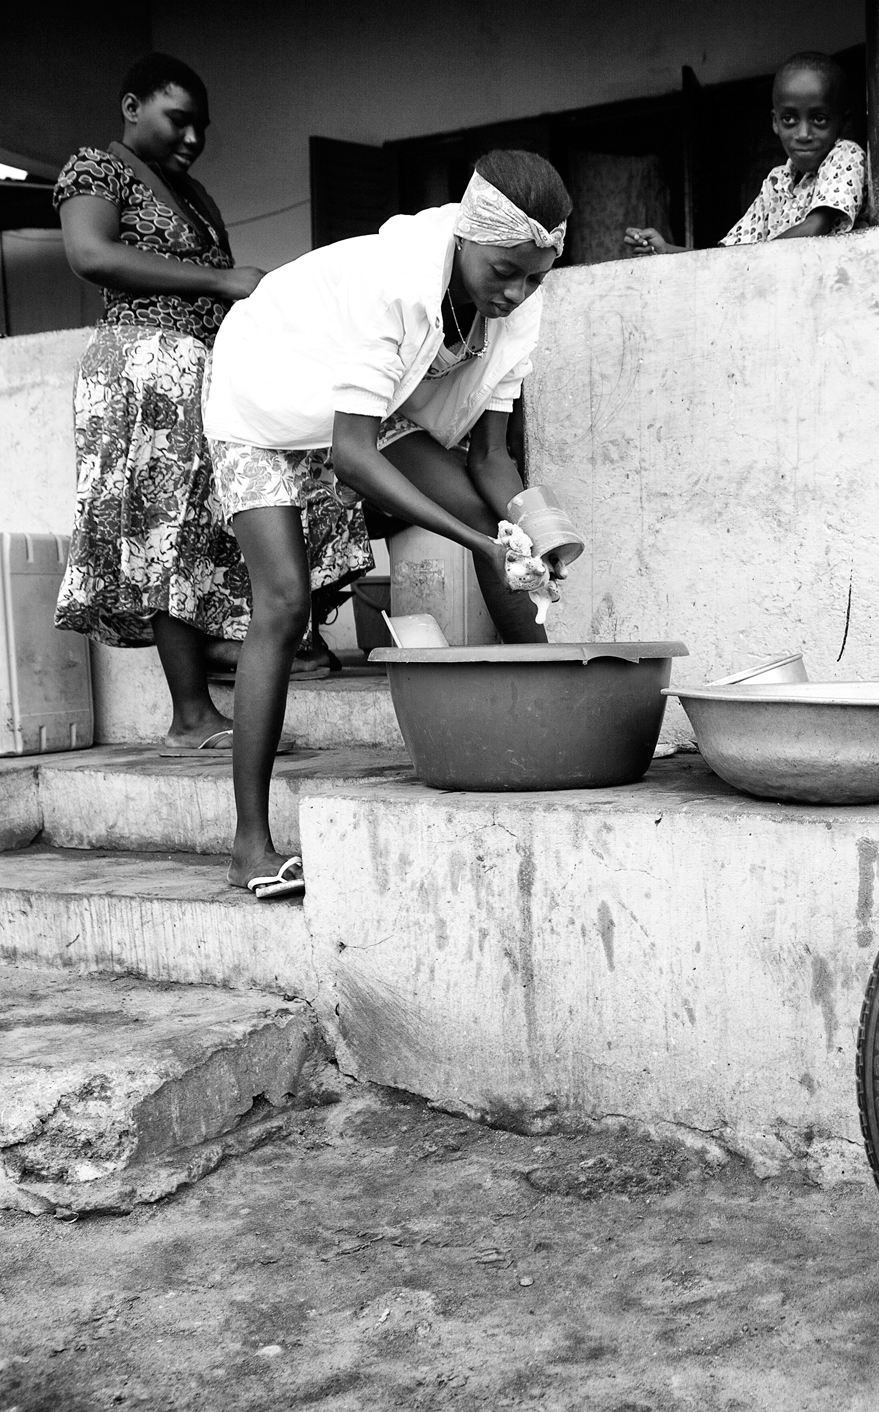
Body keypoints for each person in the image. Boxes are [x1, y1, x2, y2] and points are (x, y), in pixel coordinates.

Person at [203, 150, 572, 899]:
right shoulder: (395, 281)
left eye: (534, 278)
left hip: (363, 405)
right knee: (284, 602)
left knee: (490, 523)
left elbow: (491, 459)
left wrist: (530, 532)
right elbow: (353, 456)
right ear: (466, 237)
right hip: (263, 399)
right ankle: (249, 845)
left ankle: (557, 737)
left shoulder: (517, 305)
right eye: (505, 272)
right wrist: (479, 544)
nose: (516, 292)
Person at [53, 53, 361, 756]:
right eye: (179, 120)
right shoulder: (97, 168)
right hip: (143, 365)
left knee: (233, 513)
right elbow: (90, 254)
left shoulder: (192, 195)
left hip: (205, 369)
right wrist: (222, 280)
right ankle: (190, 714)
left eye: (203, 127)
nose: (193, 138)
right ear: (132, 107)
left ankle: (252, 648)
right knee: (168, 530)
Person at [623, 52, 866, 256]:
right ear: (775, 122)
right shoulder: (776, 182)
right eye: (789, 119)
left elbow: (814, 228)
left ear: (843, 122)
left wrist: (752, 258)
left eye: (819, 119)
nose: (803, 134)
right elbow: (729, 256)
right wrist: (668, 250)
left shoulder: (845, 155)